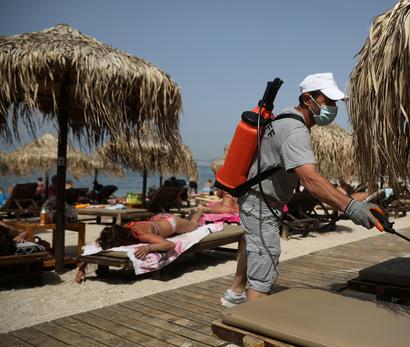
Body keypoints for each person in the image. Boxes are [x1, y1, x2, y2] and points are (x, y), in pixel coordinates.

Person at [220, 73, 380, 307]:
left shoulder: (284, 118)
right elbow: (311, 180)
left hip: (255, 200)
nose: (334, 108)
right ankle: (250, 334)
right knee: (263, 274)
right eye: (329, 102)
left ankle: (235, 294)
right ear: (308, 100)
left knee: (255, 248)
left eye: (335, 103)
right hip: (262, 204)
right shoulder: (295, 131)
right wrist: (351, 208)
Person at [75, 209, 206, 283]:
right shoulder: (119, 230)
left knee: (194, 225)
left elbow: (169, 244)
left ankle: (199, 211)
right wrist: (82, 267)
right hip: (157, 219)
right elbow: (97, 244)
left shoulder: (141, 234)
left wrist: (149, 248)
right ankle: (190, 215)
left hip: (172, 223)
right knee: (189, 221)